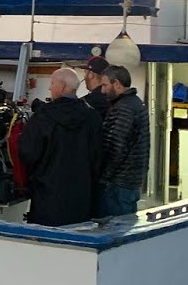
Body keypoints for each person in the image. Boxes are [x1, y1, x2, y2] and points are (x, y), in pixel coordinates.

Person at [17, 67, 102, 226]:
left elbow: (28, 152)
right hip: (81, 199)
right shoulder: (92, 117)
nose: (49, 87)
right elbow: (98, 158)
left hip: (47, 198)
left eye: (52, 83)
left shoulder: (43, 117)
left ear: (62, 86)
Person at [97, 64, 150, 218]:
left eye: (105, 85)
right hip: (131, 181)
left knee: (115, 229)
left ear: (117, 84)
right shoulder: (137, 104)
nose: (102, 90)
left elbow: (116, 147)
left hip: (118, 184)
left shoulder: (123, 109)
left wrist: (103, 177)